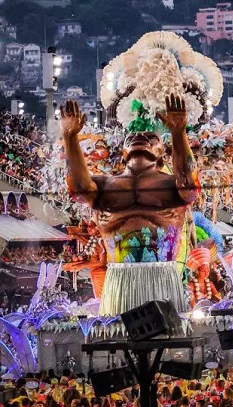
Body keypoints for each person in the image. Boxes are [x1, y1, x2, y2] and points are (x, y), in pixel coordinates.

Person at [60, 95, 201, 315]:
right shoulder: (103, 185)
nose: (140, 136)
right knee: (116, 341)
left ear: (162, 153)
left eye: (150, 137)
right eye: (132, 136)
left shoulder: (173, 186)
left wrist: (178, 133)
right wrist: (69, 137)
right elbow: (77, 187)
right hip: (119, 280)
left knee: (169, 342)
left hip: (162, 278)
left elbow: (190, 184)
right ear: (122, 154)